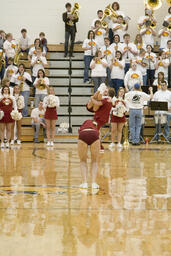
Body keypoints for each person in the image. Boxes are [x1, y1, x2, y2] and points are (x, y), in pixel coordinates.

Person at [78, 120, 100, 189]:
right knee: (95, 161)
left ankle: (84, 183)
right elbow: (99, 137)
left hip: (83, 134)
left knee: (83, 161)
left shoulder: (82, 127)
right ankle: (93, 183)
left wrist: (84, 153)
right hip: (94, 135)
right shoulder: (95, 128)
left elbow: (79, 136)